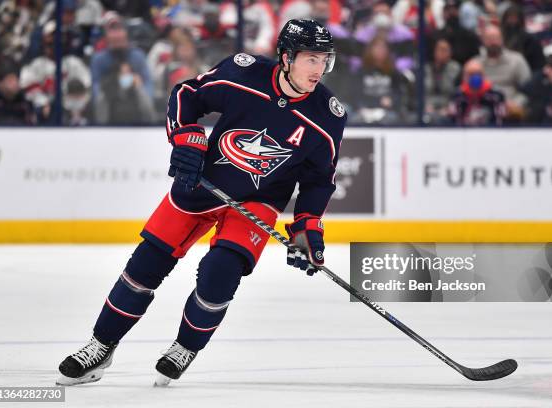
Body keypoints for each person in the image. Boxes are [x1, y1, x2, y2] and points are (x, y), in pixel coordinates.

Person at [56, 19, 347, 387]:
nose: (319, 69)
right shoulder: (244, 74)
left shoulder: (327, 115)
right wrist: (187, 137)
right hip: (202, 185)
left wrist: (307, 225)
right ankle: (100, 346)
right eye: (311, 59)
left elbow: (319, 180)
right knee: (144, 268)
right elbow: (186, 95)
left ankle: (185, 347)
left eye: (325, 60)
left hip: (257, 203)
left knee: (219, 274)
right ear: (286, 57)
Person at [447, 58, 505, 126]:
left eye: (478, 74)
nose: (475, 77)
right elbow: (453, 119)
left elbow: (501, 119)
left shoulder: (496, 95)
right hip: (464, 133)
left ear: (483, 76)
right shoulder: (457, 95)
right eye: (471, 74)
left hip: (490, 132)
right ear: (464, 76)